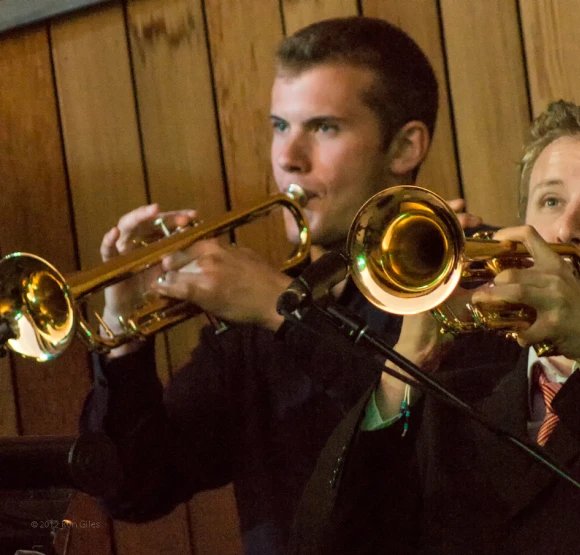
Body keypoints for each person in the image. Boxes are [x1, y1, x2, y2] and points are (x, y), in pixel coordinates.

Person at [80, 16, 480, 555]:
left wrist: (282, 312)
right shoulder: (254, 320)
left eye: (324, 128)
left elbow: (445, 451)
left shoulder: (470, 273)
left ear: (405, 147)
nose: (288, 158)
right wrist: (123, 339)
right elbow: (134, 490)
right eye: (279, 126)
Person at [289, 100, 580, 554]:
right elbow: (325, 545)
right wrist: (406, 364)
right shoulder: (451, 401)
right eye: (551, 200)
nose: (565, 228)